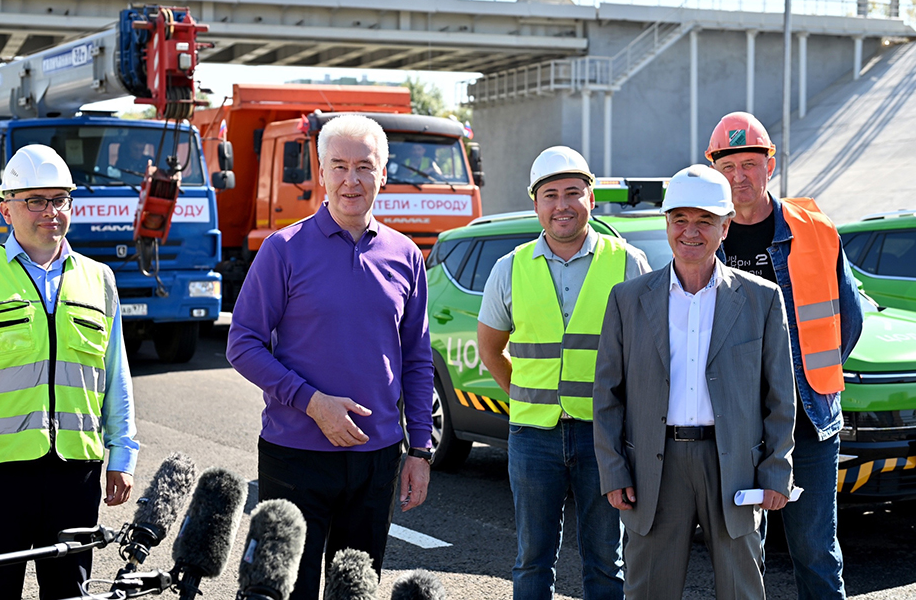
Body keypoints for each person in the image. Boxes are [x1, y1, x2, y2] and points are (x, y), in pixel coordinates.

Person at [227, 114, 434, 600]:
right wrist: (311, 402)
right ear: (321, 173)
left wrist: (420, 450)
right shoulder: (283, 249)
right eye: (338, 166)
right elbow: (243, 342)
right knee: (286, 593)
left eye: (364, 166)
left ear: (384, 173)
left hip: (377, 459)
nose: (351, 180)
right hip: (295, 456)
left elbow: (417, 360)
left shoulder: (406, 256)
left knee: (355, 592)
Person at [0, 144, 139, 600]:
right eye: (35, 200)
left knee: (69, 592)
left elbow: (114, 374)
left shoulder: (100, 279)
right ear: (7, 210)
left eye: (60, 199)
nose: (50, 212)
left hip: (76, 471)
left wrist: (122, 454)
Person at [593, 164, 797, 600]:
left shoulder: (761, 298)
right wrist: (613, 469)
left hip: (734, 468)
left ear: (726, 226)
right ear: (665, 222)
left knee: (742, 590)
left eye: (705, 220)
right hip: (655, 467)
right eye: (680, 219)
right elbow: (608, 395)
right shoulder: (627, 299)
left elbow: (781, 397)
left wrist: (776, 469)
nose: (691, 231)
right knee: (648, 590)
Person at [477, 146, 651, 600]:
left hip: (605, 437)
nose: (562, 205)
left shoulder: (628, 263)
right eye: (550, 194)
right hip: (533, 436)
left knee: (605, 562)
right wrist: (523, 395)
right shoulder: (508, 268)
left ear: (591, 198)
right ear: (535, 203)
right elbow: (490, 348)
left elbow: (650, 353)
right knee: (532, 562)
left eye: (573, 192)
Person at [706, 111, 863, 600]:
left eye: (749, 164)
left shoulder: (814, 229)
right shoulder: (706, 234)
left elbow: (849, 320)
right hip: (736, 426)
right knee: (741, 554)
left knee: (815, 552)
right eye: (728, 167)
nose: (739, 177)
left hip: (809, 420)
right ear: (715, 170)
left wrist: (804, 376)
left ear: (770, 165)